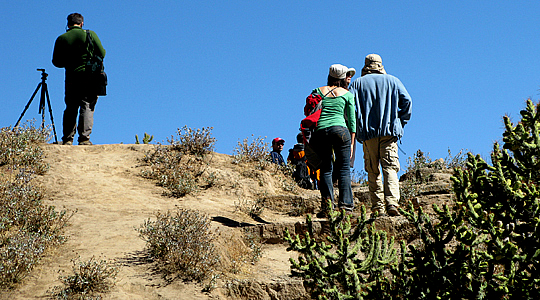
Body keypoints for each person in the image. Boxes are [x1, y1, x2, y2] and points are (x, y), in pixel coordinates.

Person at [349, 54, 412, 217]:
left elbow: (349, 107)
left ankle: (378, 207)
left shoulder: (357, 84)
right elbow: (407, 102)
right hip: (389, 132)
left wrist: (355, 126)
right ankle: (392, 203)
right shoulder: (393, 81)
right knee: (390, 168)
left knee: (372, 170)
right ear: (380, 65)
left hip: (368, 134)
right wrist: (400, 121)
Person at [309, 64, 356, 216]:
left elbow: (310, 111)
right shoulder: (347, 94)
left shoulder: (317, 91)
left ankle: (327, 206)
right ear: (343, 78)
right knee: (343, 169)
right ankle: (346, 205)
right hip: (341, 131)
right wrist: (352, 143)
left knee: (326, 169)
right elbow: (352, 122)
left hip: (321, 131)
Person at [52, 12, 106, 145]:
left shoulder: (61, 38)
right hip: (90, 76)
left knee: (70, 107)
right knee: (87, 105)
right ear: (82, 23)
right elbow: (102, 53)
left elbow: (56, 62)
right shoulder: (89, 34)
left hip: (71, 77)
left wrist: (70, 63)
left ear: (68, 24)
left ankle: (67, 139)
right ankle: (84, 139)